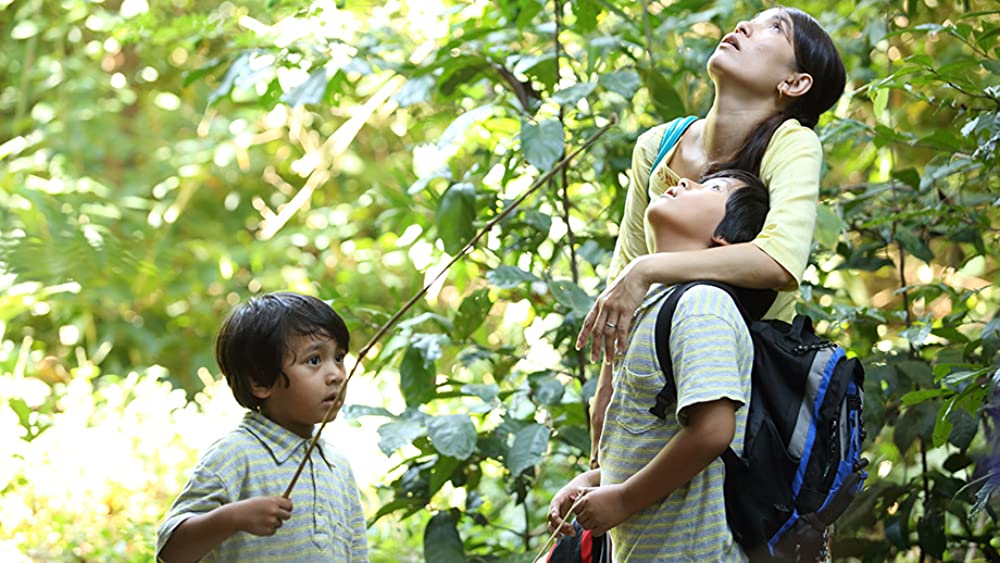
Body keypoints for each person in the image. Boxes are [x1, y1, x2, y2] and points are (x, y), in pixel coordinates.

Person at [580, 7, 847, 469]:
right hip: (651, 369)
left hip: (737, 376)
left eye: (774, 28)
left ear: (794, 84)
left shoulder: (790, 142)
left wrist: (647, 270)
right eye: (752, 20)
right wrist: (607, 393)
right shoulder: (657, 147)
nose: (743, 26)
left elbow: (779, 262)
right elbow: (625, 274)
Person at [548, 169, 770, 562]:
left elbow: (714, 431)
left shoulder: (702, 306)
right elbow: (655, 440)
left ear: (724, 239)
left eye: (713, 189)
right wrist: (595, 481)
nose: (685, 182)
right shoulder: (653, 306)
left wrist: (625, 498)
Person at [157, 292, 368, 563]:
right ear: (260, 380)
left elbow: (356, 553)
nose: (337, 375)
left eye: (338, 358)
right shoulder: (235, 455)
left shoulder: (337, 466)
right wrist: (233, 517)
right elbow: (172, 551)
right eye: (314, 360)